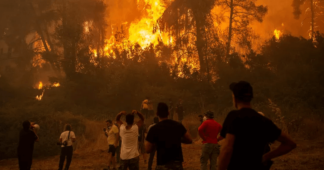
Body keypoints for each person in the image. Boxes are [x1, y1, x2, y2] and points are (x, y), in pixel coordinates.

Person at [218, 81, 297, 170]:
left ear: (234, 98)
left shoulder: (234, 116)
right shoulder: (264, 120)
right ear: (251, 97)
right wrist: (266, 157)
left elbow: (227, 149)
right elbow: (290, 144)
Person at [145, 102, 192, 170]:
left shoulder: (154, 128)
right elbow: (189, 140)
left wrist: (156, 142)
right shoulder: (178, 125)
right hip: (177, 163)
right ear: (168, 112)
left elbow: (147, 149)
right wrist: (177, 138)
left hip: (162, 163)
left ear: (157, 113)